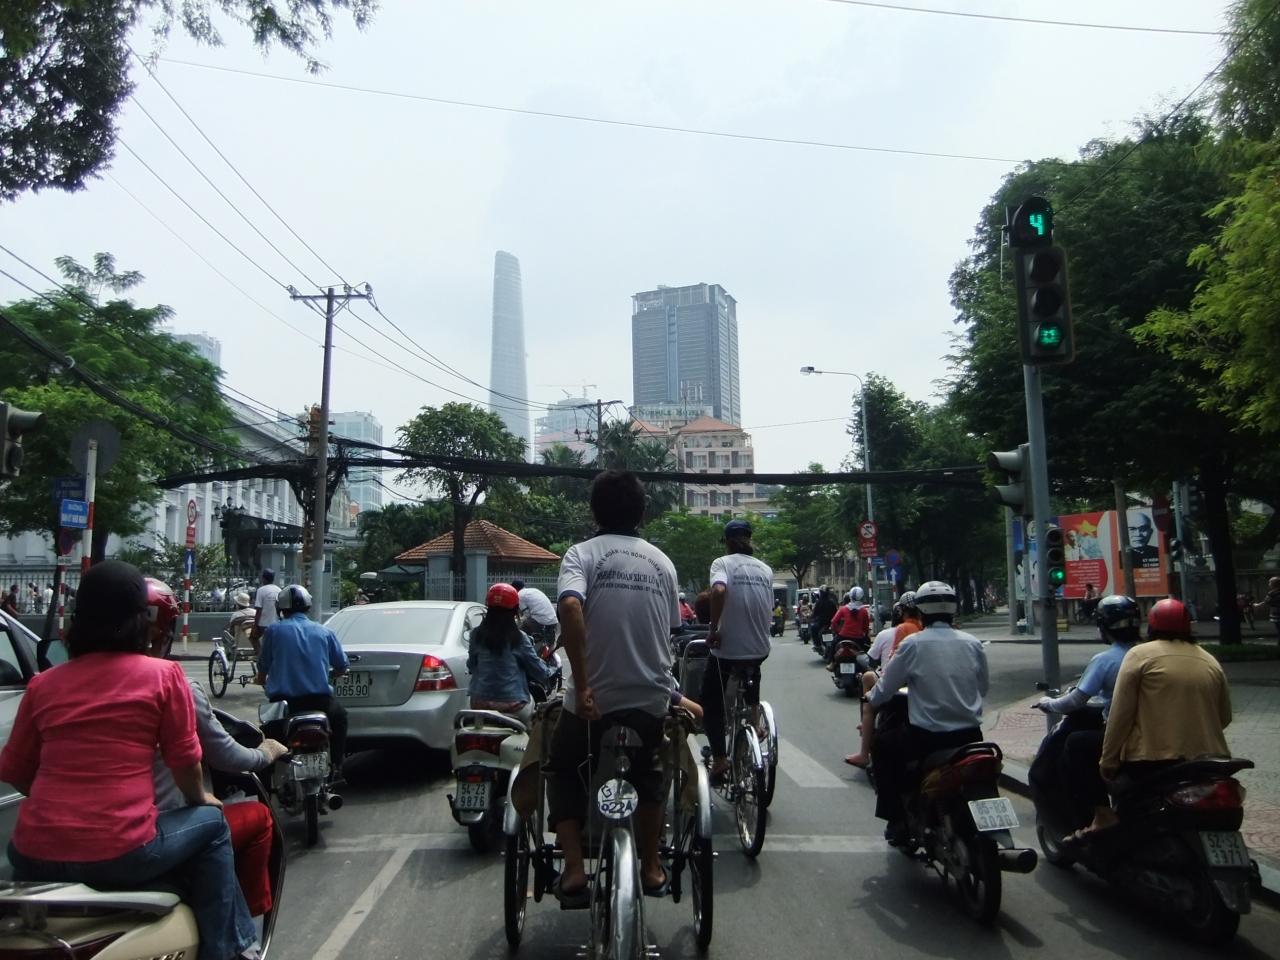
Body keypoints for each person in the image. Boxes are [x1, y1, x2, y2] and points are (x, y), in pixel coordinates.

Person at [0, 560, 259, 960]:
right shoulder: (164, 676)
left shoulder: (42, 684)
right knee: (214, 825)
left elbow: (16, 771)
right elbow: (184, 760)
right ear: (143, 622)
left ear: (76, 623)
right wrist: (201, 799)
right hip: (122, 851)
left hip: (33, 853)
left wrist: (62, 807)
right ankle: (225, 950)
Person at [547, 470, 682, 907]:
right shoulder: (662, 563)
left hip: (592, 701)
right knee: (650, 771)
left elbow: (570, 605)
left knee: (564, 768)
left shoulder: (581, 555)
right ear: (642, 513)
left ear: (594, 512)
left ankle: (573, 870)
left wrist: (585, 686)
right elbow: (670, 631)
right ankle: (651, 866)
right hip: (650, 697)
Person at [146, 578, 288, 917]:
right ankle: (238, 937)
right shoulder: (171, 682)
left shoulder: (51, 683)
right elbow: (193, 760)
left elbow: (24, 775)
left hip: (43, 844)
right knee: (229, 821)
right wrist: (265, 753)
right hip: (143, 836)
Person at [1094, 598, 1231, 834]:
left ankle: (1103, 820)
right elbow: (1224, 716)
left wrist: (1108, 761)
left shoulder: (1139, 655)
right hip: (1210, 760)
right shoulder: (1209, 660)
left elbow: (1120, 716)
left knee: (1079, 746)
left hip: (1152, 760)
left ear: (1151, 626)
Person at [867, 581, 988, 844]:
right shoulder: (973, 643)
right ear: (953, 609)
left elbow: (884, 688)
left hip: (928, 739)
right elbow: (983, 688)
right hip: (972, 736)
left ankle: (897, 821)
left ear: (921, 611)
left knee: (880, 746)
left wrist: (871, 697)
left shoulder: (913, 645)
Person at [1033, 595, 1141, 838]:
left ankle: (1102, 813)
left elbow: (1075, 701)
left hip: (1123, 735)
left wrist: (1047, 704)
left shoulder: (1106, 660)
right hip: (1154, 734)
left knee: (1076, 745)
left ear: (1103, 627)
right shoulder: (1149, 654)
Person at [702, 519, 774, 783]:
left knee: (710, 700)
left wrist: (713, 630)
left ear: (727, 543)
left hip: (728, 651)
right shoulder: (765, 569)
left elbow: (719, 590)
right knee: (753, 666)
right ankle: (754, 719)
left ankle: (720, 759)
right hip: (760, 648)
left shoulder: (721, 563)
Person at [256, 584, 350, 777]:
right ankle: (337, 767)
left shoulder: (273, 631)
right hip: (321, 703)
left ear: (281, 608)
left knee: (269, 743)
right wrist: (333, 674)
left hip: (284, 705)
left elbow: (263, 666)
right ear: (308, 606)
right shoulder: (323, 631)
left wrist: (261, 679)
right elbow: (342, 665)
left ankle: (266, 786)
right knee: (340, 719)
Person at [845, 591, 922, 768]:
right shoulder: (926, 629)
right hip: (922, 687)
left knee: (868, 694)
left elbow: (894, 663)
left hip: (899, 682)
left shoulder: (901, 630)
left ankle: (864, 752)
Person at [467, 583, 556, 725]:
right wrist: (550, 671)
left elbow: (471, 665)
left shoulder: (475, 635)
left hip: (478, 704)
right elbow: (538, 670)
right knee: (535, 723)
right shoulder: (519, 638)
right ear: (515, 611)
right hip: (513, 706)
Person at [827, 586, 872, 664]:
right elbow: (866, 627)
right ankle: (868, 664)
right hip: (858, 639)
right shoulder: (864, 611)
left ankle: (831, 663)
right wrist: (865, 634)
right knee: (867, 647)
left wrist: (838, 632)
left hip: (843, 636)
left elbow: (833, 622)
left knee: (833, 643)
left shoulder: (843, 609)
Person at [511, 578, 558, 643]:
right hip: (553, 620)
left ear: (515, 588)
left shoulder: (519, 595)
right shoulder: (534, 590)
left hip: (540, 621)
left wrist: (519, 621)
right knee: (549, 642)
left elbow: (527, 615)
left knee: (520, 634)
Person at [250, 569, 281, 655]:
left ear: (263, 578)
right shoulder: (279, 590)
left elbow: (258, 610)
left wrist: (255, 625)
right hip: (277, 623)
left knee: (253, 637)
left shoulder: (261, 590)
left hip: (263, 624)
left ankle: (261, 657)